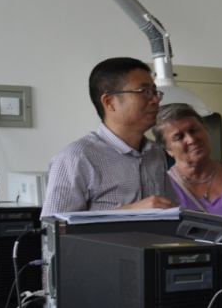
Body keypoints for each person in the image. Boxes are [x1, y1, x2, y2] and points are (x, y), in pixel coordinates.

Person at [41, 57, 177, 216]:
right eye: (145, 92)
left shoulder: (156, 153)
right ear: (109, 101)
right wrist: (132, 212)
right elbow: (55, 226)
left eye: (155, 92)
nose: (155, 100)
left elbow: (169, 211)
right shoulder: (76, 158)